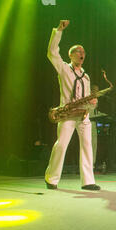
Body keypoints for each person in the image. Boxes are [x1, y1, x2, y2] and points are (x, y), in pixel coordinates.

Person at [44, 20, 100, 190]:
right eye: (78, 51)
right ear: (71, 55)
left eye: (83, 52)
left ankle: (88, 181)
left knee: (87, 146)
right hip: (67, 114)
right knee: (61, 144)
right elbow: (52, 52)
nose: (81, 53)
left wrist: (92, 101)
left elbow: (87, 98)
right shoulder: (64, 69)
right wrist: (59, 31)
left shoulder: (86, 76)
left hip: (83, 115)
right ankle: (51, 178)